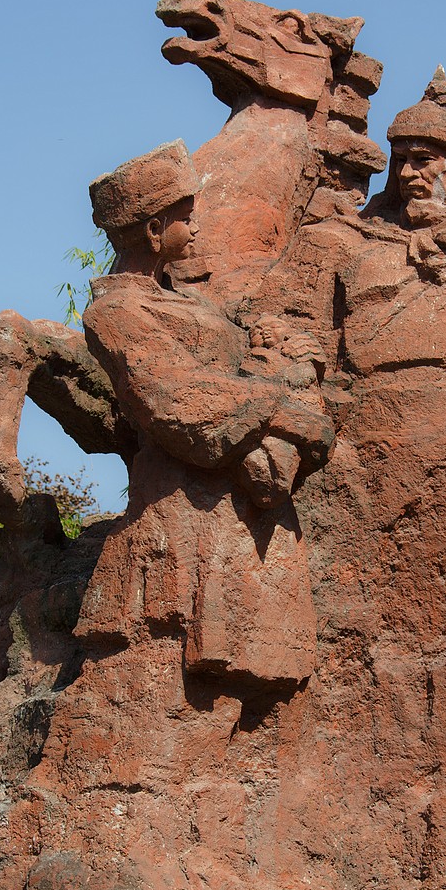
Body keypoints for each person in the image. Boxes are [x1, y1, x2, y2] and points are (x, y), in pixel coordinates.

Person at [77, 141, 334, 684]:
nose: (196, 228)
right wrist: (289, 410)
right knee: (192, 687)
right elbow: (176, 397)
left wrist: (288, 360)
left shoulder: (194, 302)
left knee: (267, 684)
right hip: (186, 508)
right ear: (154, 230)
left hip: (252, 510)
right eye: (186, 217)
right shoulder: (116, 311)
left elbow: (246, 363)